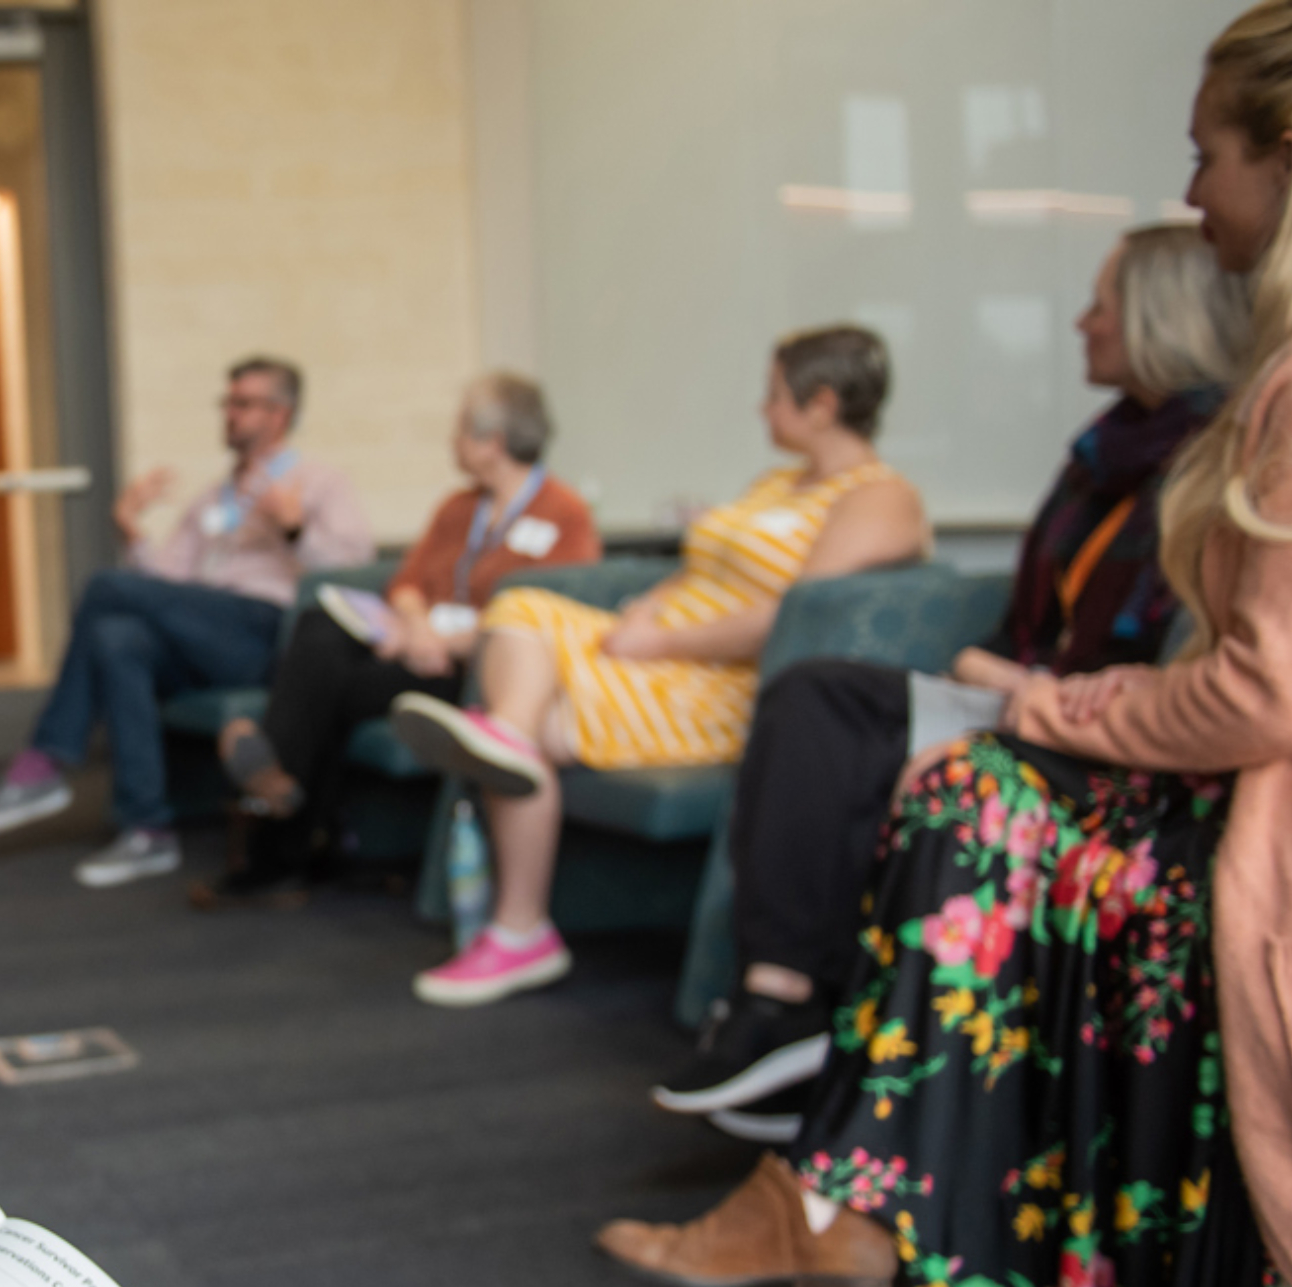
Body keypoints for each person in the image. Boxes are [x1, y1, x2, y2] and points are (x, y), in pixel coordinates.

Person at [598, 12, 1292, 1287]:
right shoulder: (1143, 442)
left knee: (969, 798)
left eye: (1205, 157)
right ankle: (870, 1191)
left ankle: (842, 1174)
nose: (1193, 193)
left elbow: (1259, 687)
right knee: (939, 768)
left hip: (1232, 782)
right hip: (1173, 742)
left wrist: (1054, 699)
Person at [653, 224, 1248, 1123]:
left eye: (1102, 304)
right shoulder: (1097, 460)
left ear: (1159, 319)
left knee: (866, 746)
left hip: (1088, 719)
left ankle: (816, 1034)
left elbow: (1162, 663)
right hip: (1012, 682)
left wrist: (1031, 688)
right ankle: (782, 1001)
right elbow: (1030, 619)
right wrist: (1000, 668)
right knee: (815, 695)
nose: (1082, 322)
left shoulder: (1212, 467)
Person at [393, 326, 931, 1007]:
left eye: (773, 396)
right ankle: (509, 755)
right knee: (524, 606)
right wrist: (643, 610)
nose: (762, 410)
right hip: (659, 653)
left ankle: (518, 914)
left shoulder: (880, 497)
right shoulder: (776, 483)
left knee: (530, 718)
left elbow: (799, 616)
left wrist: (660, 643)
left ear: (821, 403)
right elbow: (704, 569)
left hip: (722, 681)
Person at [0, 356, 374, 887]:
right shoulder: (215, 497)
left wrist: (294, 530)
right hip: (203, 630)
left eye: (243, 404)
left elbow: (352, 571)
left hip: (266, 636)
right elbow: (168, 581)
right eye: (228, 403)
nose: (230, 415)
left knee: (106, 588)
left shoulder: (319, 482)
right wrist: (133, 531)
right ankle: (147, 830)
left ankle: (45, 762)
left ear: (279, 414)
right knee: (116, 637)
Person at [193, 372, 602, 906]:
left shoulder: (563, 514)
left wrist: (443, 644)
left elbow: (552, 615)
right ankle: (282, 805)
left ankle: (276, 813)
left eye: (460, 431)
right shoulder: (459, 508)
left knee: (329, 684)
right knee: (320, 628)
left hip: (477, 670)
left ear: (491, 442)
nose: (452, 442)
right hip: (418, 651)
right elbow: (406, 581)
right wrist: (415, 629)